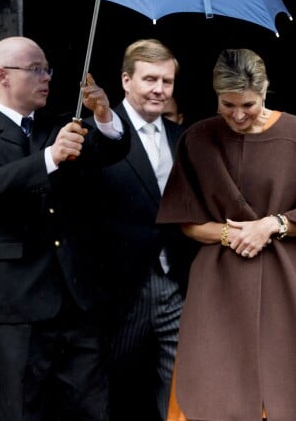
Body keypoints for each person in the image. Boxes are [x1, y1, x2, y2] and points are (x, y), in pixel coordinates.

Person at [156, 48, 296, 421]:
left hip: (287, 279)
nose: (239, 115)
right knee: (211, 390)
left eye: (249, 104)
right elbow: (184, 220)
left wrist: (271, 225)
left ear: (265, 91)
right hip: (218, 282)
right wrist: (230, 234)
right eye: (228, 105)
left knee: (293, 391)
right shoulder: (197, 139)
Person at [0, 35, 130, 421]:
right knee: (16, 410)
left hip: (77, 303)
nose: (47, 77)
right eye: (35, 69)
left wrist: (103, 115)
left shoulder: (63, 124)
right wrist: (50, 157)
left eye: (48, 68)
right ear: (2, 76)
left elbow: (108, 150)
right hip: (16, 306)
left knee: (91, 410)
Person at [90, 39, 196, 421]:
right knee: (114, 396)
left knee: (181, 396)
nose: (159, 89)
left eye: (167, 82)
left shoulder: (184, 139)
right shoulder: (93, 133)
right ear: (125, 80)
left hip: (175, 284)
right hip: (117, 291)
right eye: (150, 79)